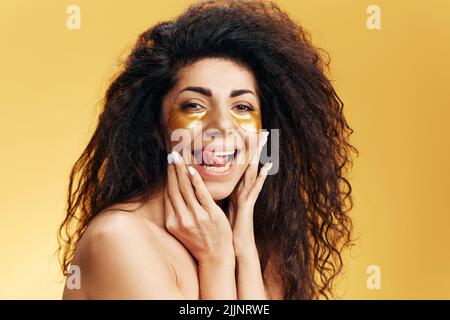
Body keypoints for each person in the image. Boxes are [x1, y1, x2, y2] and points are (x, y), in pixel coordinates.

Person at [58, 0, 357, 300]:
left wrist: (243, 249)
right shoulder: (119, 240)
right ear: (157, 130)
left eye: (242, 107)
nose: (222, 126)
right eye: (194, 105)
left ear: (263, 133)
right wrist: (218, 261)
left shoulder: (256, 240)